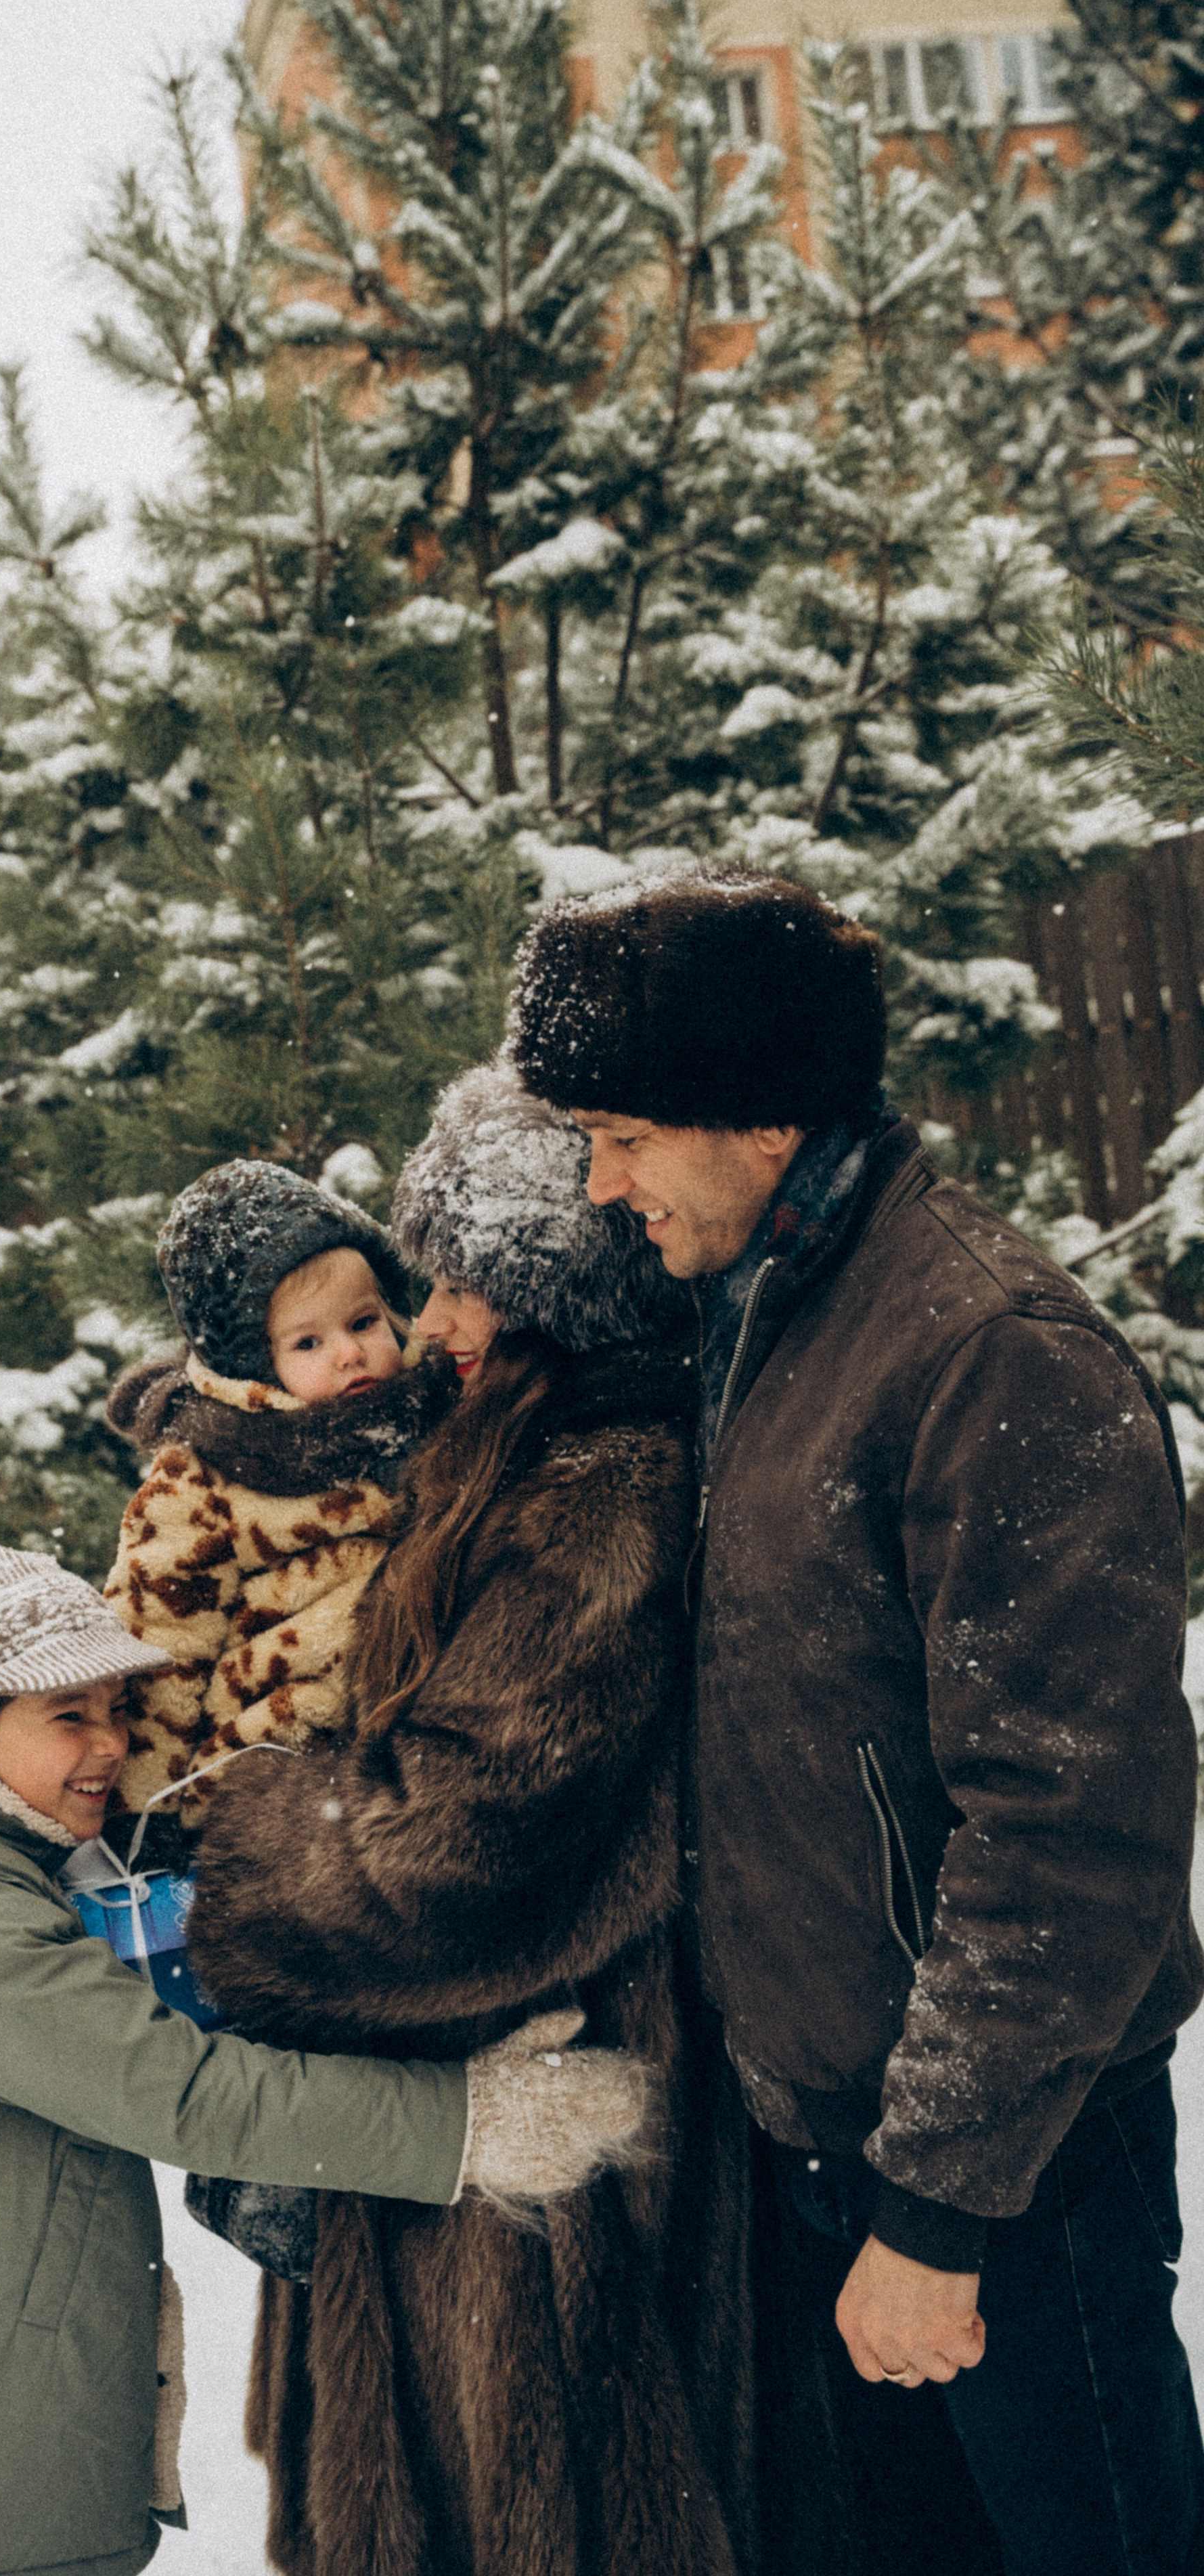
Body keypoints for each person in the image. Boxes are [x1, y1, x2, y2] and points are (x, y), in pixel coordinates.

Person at [511, 866, 1204, 2576]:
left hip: (1004, 2173)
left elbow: (1069, 1831)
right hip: (834, 2141)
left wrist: (936, 2210)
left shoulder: (986, 1351)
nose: (597, 1184)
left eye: (617, 1132)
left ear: (758, 1114)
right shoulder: (760, 1314)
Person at [187, 1064, 830, 2576]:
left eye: (465, 1283)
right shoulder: (495, 1447)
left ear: (551, 1297)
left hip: (539, 2175)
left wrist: (225, 1860)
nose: (428, 1325)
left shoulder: (599, 1490)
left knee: (533, 2521)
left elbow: (454, 1844)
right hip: (474, 2129)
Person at [0, 1532, 648, 2576]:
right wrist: (467, 2123)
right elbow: (182, 2094)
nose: (110, 1746)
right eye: (68, 1717)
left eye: (118, 1710)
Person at [103, 1158, 459, 1825]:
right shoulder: (207, 1478)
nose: (349, 1354)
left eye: (362, 1322)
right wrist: (145, 1812)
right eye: (307, 1342)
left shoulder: (442, 1408)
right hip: (274, 1756)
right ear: (253, 1367)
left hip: (424, 1725)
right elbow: (159, 1644)